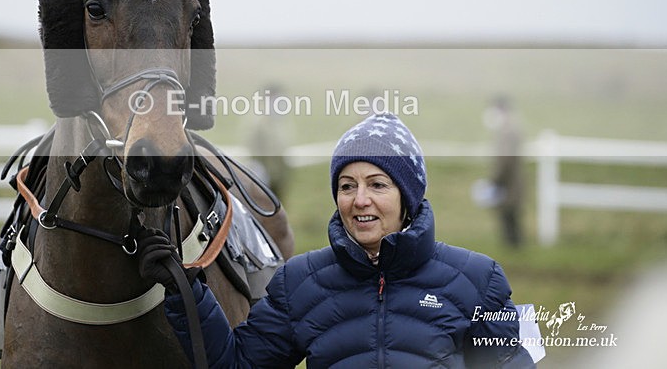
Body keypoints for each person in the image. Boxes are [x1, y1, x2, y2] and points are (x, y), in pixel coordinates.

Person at [138, 113, 535, 368]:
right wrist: (186, 290)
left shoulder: (480, 280)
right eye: (347, 186)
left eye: (378, 184)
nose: (359, 199)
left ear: (407, 197)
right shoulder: (300, 282)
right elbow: (237, 364)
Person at [483, 96, 525, 248]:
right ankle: (515, 248)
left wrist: (495, 179)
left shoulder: (507, 132)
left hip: (508, 182)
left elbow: (505, 160)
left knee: (509, 217)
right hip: (510, 181)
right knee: (510, 216)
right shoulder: (509, 129)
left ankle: (514, 248)